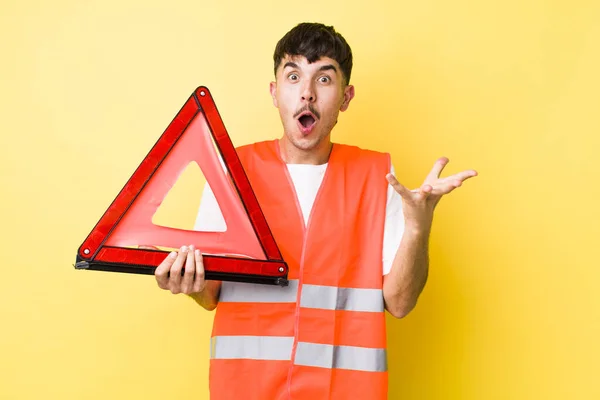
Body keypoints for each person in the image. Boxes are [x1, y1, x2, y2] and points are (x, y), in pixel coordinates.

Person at [154, 22, 477, 400]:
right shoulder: (232, 173)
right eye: (293, 77)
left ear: (345, 96)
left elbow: (400, 303)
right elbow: (210, 293)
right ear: (275, 92)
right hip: (246, 391)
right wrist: (187, 281)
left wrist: (419, 229)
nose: (306, 94)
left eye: (324, 80)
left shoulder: (377, 177)